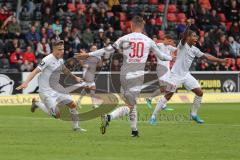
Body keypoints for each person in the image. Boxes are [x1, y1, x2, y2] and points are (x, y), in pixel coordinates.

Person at [76, 16, 173, 137]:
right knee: (130, 105)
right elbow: (162, 57)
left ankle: (134, 130)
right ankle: (108, 117)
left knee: (131, 103)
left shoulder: (124, 38)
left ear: (131, 25)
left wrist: (88, 54)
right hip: (136, 76)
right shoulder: (148, 40)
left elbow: (107, 50)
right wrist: (172, 57)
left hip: (123, 75)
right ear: (142, 26)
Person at [149, 19, 229, 125]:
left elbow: (207, 56)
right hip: (175, 75)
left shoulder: (195, 49)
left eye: (196, 36)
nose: (196, 38)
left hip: (186, 75)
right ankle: (153, 116)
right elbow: (183, 37)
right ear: (188, 38)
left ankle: (194, 114)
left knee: (200, 92)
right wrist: (187, 25)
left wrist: (220, 60)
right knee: (168, 95)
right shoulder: (182, 46)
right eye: (194, 36)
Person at [16, 40, 86, 132]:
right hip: (46, 92)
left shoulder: (60, 59)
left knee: (73, 105)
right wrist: (26, 82)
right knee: (57, 115)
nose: (62, 51)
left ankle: (76, 127)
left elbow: (64, 70)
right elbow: (35, 71)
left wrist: (75, 77)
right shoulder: (47, 60)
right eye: (59, 49)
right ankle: (37, 103)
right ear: (54, 50)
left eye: (63, 49)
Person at [146, 35, 177, 110]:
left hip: (168, 70)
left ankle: (163, 104)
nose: (170, 43)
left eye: (170, 41)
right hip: (161, 69)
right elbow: (151, 46)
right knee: (163, 88)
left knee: (171, 87)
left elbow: (178, 50)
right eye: (169, 41)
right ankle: (149, 99)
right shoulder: (159, 45)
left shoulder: (169, 47)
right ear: (165, 39)